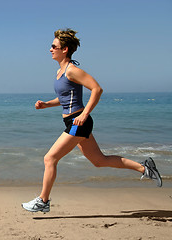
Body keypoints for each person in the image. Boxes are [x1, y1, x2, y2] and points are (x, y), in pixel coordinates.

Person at [22, 28, 162, 213]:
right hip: (73, 122)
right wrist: (46, 104)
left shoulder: (72, 71)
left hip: (78, 123)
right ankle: (145, 169)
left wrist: (84, 114)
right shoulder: (60, 72)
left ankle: (43, 201)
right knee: (99, 160)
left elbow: (97, 89)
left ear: (64, 49)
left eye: (53, 46)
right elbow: (65, 99)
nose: (50, 49)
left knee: (50, 158)